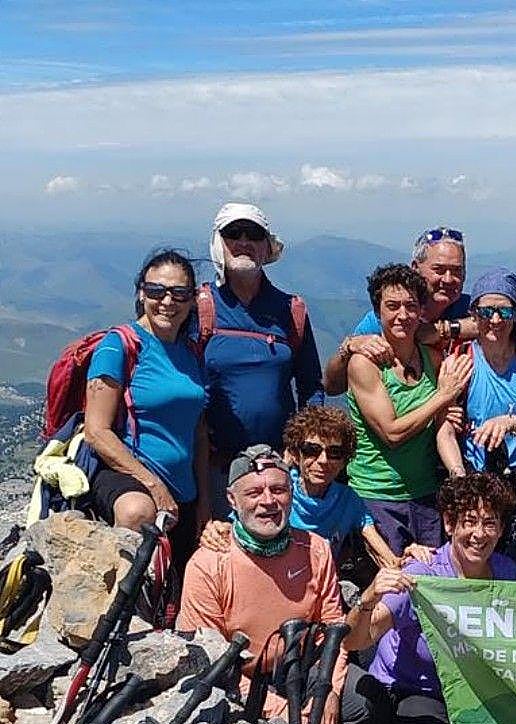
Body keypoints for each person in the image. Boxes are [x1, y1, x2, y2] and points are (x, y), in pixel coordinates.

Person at [340, 473, 516, 724]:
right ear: (450, 525)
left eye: (490, 523)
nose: (479, 533)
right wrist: (368, 597)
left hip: (472, 690)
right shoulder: (422, 575)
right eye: (470, 521)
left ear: (501, 529)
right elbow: (356, 641)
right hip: (414, 687)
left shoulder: (507, 572)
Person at [177, 445, 347, 724]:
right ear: (232, 499)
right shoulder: (208, 564)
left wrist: (329, 692)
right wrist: (283, 711)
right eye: (254, 493)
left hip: (304, 671)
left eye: (278, 490)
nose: (268, 501)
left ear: (291, 494)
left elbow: (335, 631)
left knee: (362, 702)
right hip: (239, 684)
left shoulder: (317, 549)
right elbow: (208, 659)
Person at [199, 203, 324, 519]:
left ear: (267, 245)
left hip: (277, 468)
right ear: (218, 242)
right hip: (214, 467)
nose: (244, 241)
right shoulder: (200, 308)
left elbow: (311, 386)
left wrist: (303, 445)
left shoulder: (290, 310)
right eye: (233, 233)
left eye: (254, 233)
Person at [84, 249, 208, 563]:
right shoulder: (118, 345)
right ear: (142, 293)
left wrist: (205, 501)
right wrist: (153, 486)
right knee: (137, 513)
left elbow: (198, 432)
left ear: (193, 300)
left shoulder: (191, 353)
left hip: (184, 490)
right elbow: (96, 432)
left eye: (179, 293)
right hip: (129, 477)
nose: (167, 301)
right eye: (156, 291)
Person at [346, 263, 473, 553]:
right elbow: (391, 433)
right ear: (377, 312)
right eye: (392, 306)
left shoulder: (432, 357)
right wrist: (442, 397)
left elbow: (442, 425)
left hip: (426, 494)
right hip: (377, 495)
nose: (402, 315)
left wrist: (458, 475)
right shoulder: (365, 365)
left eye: (411, 306)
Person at [197, 406, 402, 581]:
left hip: (320, 588)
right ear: (295, 454)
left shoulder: (349, 500)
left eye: (335, 453)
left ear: (345, 460)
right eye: (312, 450)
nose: (323, 460)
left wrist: (405, 564)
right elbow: (234, 527)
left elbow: (381, 553)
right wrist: (215, 530)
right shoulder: (277, 493)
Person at [438, 268, 516, 499]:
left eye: (504, 311)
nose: (495, 320)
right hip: (472, 480)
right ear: (473, 314)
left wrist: (511, 423)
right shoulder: (458, 362)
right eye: (486, 311)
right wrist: (459, 477)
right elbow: (445, 431)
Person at [324, 226, 481, 396]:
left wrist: (443, 330)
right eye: (439, 270)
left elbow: (502, 322)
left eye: (457, 270)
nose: (448, 279)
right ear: (415, 268)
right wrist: (349, 347)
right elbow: (332, 386)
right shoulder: (383, 321)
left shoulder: (471, 307)